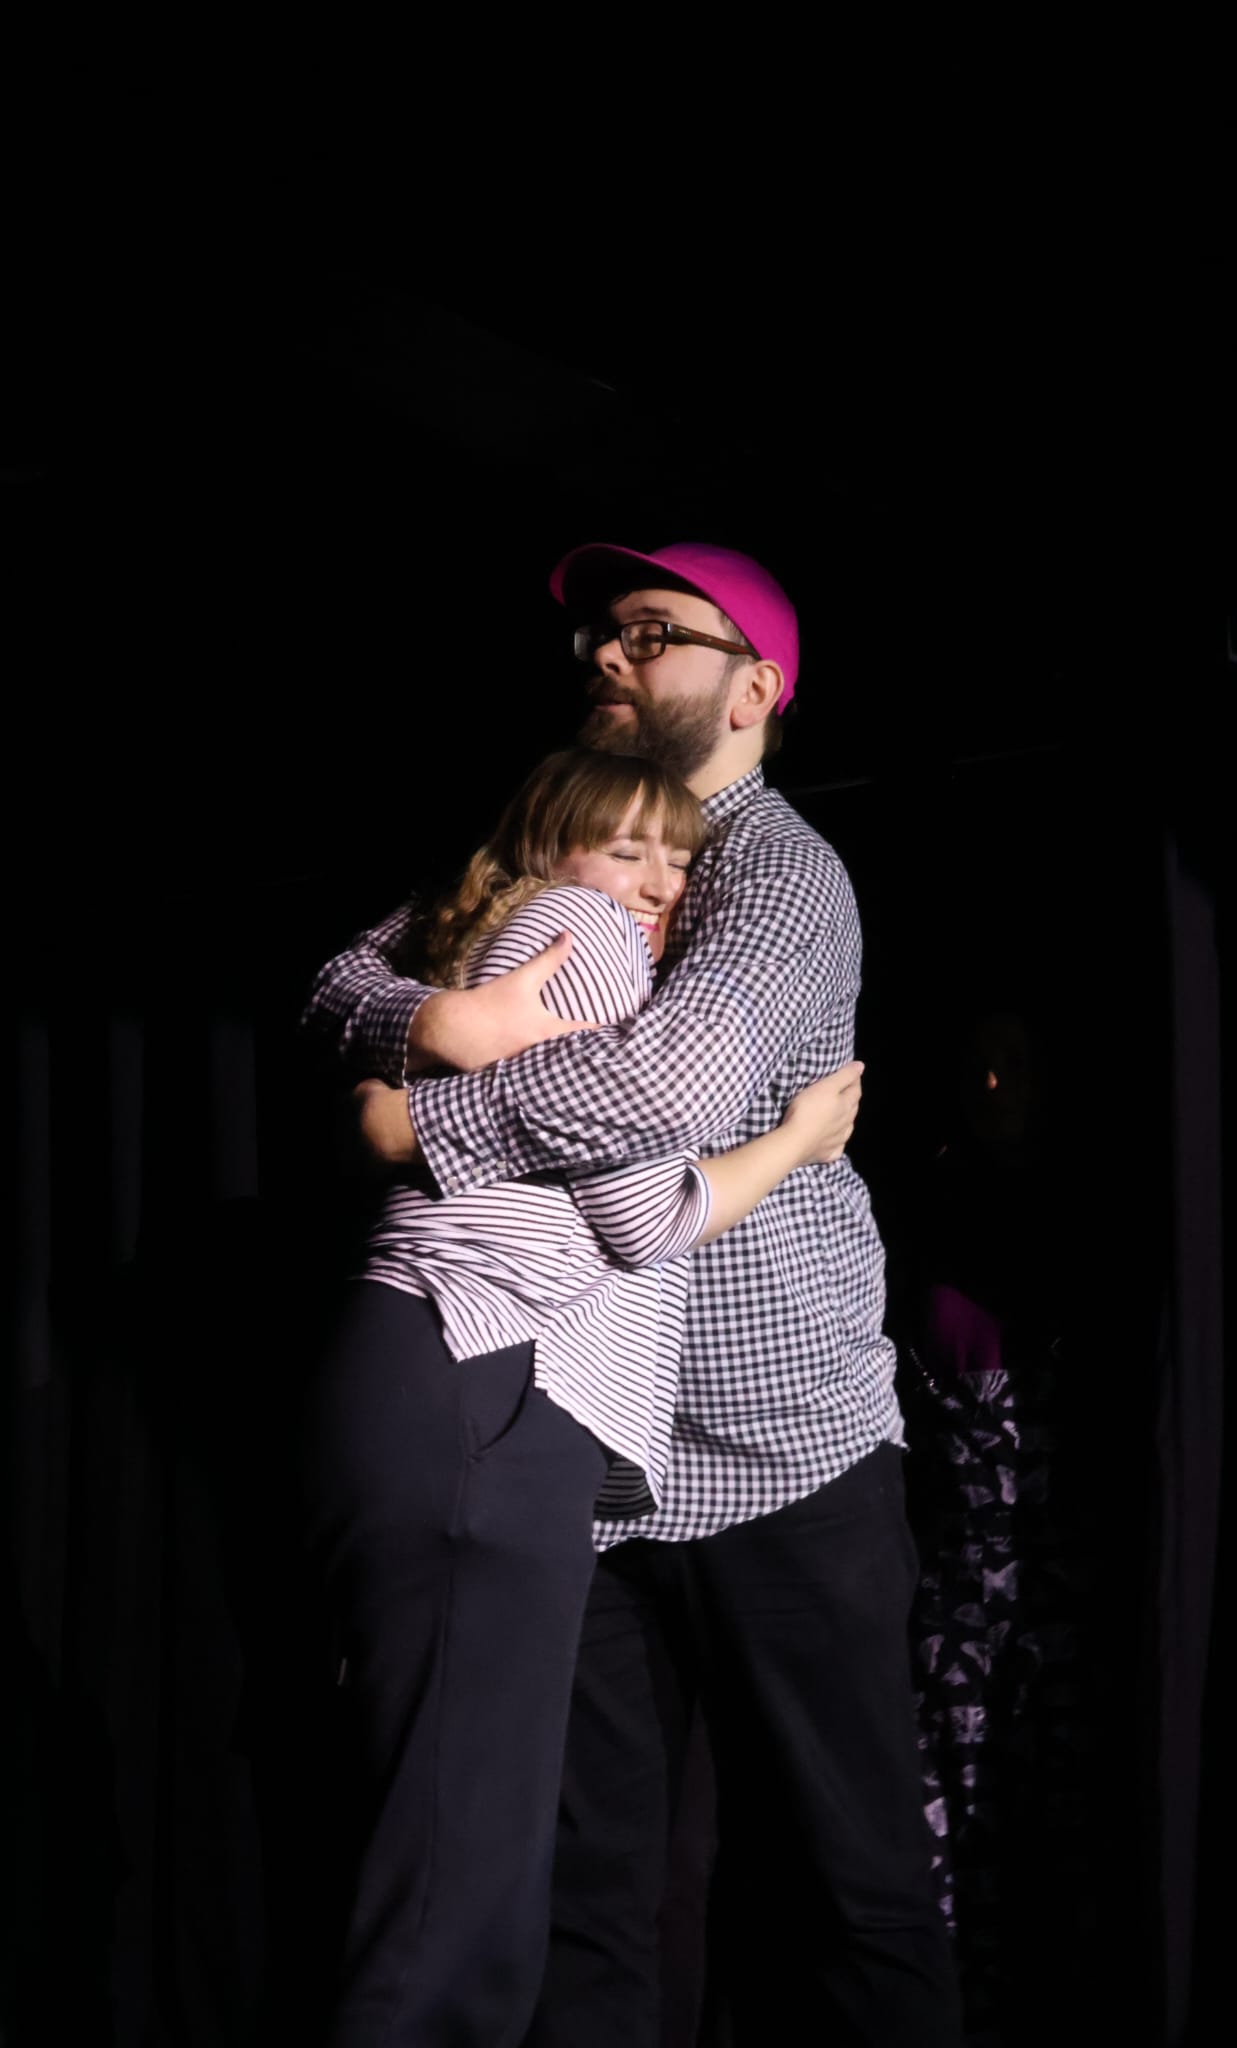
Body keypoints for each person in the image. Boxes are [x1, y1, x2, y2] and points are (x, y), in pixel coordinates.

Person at [305, 542, 962, 2046]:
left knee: (843, 1883)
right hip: (588, 1445)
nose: (607, 654)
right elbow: (336, 983)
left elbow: (669, 1088)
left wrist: (416, 1123)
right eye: (598, 634)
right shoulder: (564, 834)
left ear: (754, 687)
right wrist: (434, 1016)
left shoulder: (776, 871)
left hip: (777, 1445)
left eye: (652, 633)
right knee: (585, 1902)